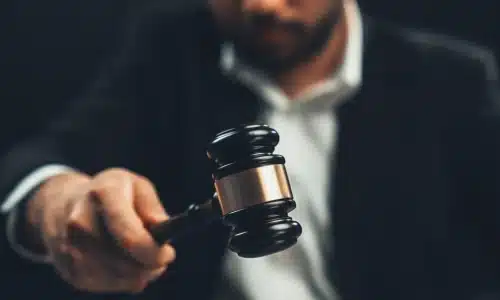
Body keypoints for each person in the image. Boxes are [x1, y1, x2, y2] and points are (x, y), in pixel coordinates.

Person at [1, 0, 499, 299]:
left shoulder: (454, 81)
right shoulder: (168, 51)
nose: (261, 5)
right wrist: (56, 201)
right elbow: (39, 159)